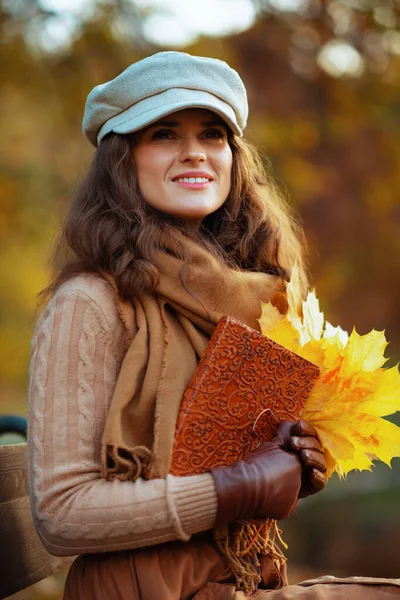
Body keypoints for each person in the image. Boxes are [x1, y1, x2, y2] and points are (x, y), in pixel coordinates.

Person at [27, 52, 400, 600]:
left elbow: (220, 452)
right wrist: (236, 488)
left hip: (241, 581)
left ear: (233, 157)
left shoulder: (256, 299)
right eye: (163, 134)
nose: (195, 152)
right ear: (121, 160)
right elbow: (61, 514)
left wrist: (292, 464)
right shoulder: (90, 303)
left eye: (212, 134)